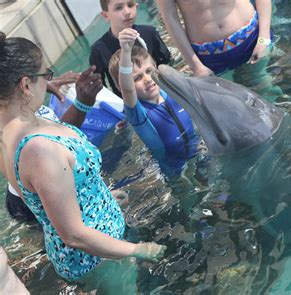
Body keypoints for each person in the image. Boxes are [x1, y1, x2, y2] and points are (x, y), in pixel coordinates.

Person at [0, 32, 165, 292]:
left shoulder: (9, 131)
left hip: (95, 242)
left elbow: (44, 201)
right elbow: (74, 234)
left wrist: (97, 196)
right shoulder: (38, 150)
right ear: (25, 85)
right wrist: (139, 249)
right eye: (46, 76)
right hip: (96, 258)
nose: (50, 82)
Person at [2, 66, 103, 223]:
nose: (48, 77)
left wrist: (41, 84)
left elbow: (55, 138)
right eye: (45, 74)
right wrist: (81, 105)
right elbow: (56, 143)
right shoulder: (12, 125)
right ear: (25, 84)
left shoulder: (27, 105)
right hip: (30, 198)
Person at [108, 28, 199, 176]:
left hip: (199, 152)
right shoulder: (138, 113)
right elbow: (127, 89)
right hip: (176, 172)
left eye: (149, 71)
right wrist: (125, 51)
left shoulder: (170, 91)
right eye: (137, 78)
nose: (147, 79)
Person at [90, 0, 171, 96]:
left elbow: (167, 66)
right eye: (119, 8)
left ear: (136, 6)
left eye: (130, 5)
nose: (127, 12)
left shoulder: (150, 33)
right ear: (106, 15)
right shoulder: (99, 50)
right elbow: (101, 89)